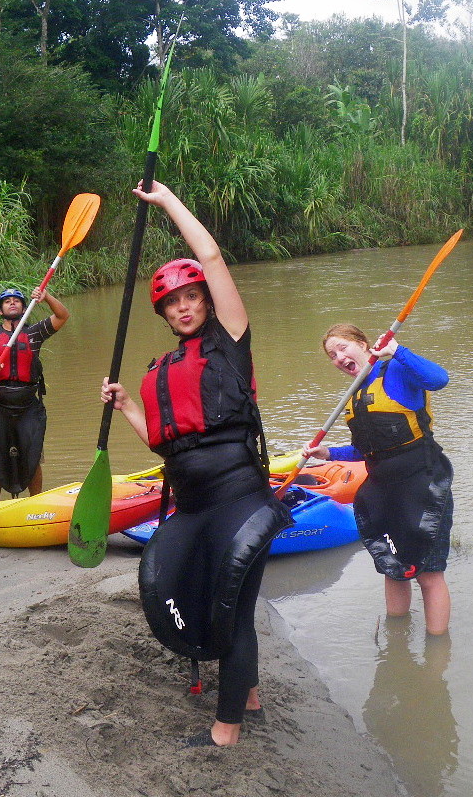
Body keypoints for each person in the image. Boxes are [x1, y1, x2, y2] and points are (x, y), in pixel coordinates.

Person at [100, 180, 291, 748]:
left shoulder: (230, 341)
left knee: (230, 613)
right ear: (163, 312)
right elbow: (165, 443)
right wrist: (130, 407)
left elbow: (209, 254)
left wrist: (164, 201)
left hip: (239, 497)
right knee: (211, 603)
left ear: (207, 301)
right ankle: (248, 695)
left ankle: (227, 729)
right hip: (191, 503)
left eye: (192, 297)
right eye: (172, 303)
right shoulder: (160, 367)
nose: (184, 307)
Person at [303, 323, 453, 635]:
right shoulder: (354, 394)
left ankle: (436, 658)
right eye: (332, 355)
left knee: (428, 574)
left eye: (343, 347)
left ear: (362, 343)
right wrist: (329, 454)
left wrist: (398, 350)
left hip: (422, 484)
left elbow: (439, 379)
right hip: (384, 489)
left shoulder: (395, 370)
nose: (338, 357)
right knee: (393, 568)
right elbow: (365, 448)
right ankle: (396, 643)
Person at [0, 285, 69, 502]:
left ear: (24, 308)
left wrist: (47, 297)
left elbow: (62, 316)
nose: (12, 302)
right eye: (7, 301)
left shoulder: (34, 333)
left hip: (27, 406)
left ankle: (35, 504)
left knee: (33, 460)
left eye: (17, 300)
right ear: (0, 310)